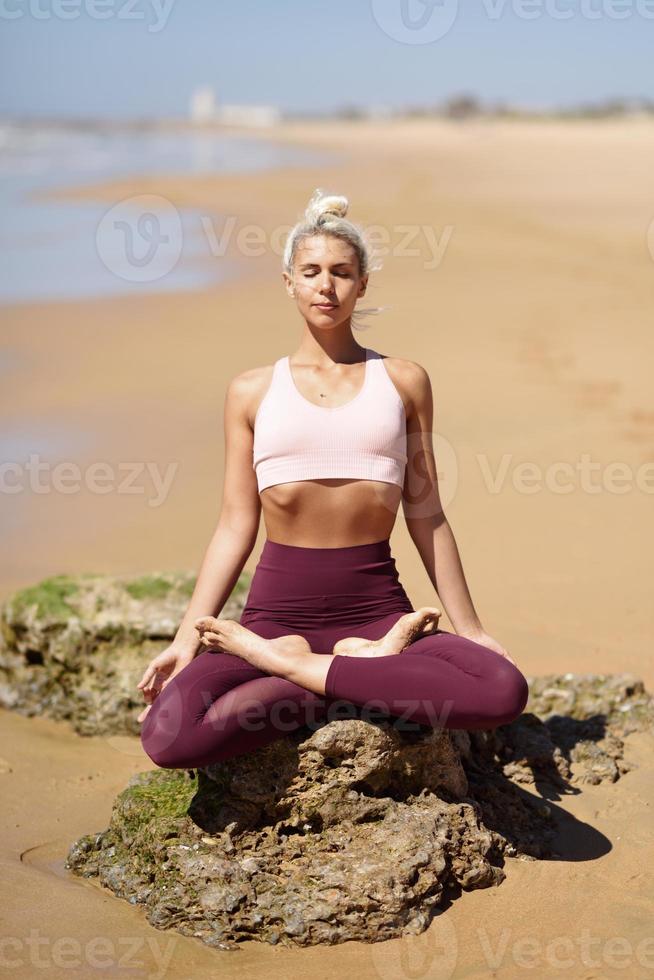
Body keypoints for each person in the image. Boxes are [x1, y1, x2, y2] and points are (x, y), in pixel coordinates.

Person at [138, 188, 529, 770]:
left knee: (503, 688)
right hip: (274, 619)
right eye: (312, 271)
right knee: (168, 737)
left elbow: (427, 515)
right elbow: (235, 524)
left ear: (362, 284)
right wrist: (186, 638)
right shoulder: (251, 391)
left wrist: (470, 629)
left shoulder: (403, 381)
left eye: (343, 273)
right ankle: (353, 673)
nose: (327, 285)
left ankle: (297, 669)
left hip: (377, 613)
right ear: (288, 282)